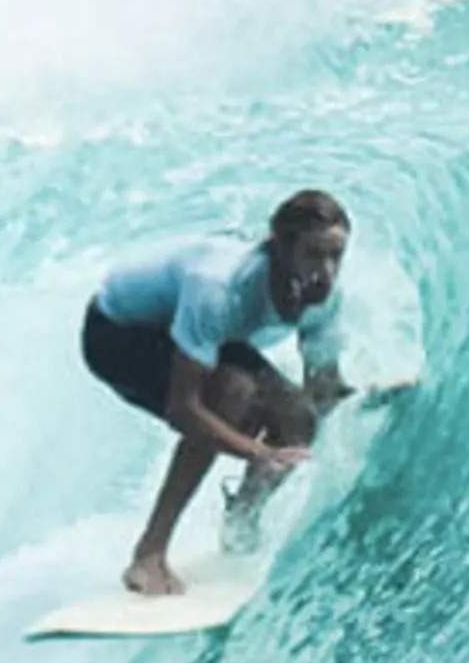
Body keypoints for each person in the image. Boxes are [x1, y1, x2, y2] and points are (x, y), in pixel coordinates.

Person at [81, 190, 355, 594]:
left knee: (297, 416)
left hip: (192, 329)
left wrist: (367, 402)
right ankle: (148, 555)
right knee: (230, 396)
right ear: (282, 247)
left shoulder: (322, 298)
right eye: (315, 255)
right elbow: (183, 409)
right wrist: (259, 452)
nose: (327, 271)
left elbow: (322, 390)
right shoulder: (219, 287)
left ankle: (241, 520)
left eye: (336, 257)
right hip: (117, 333)